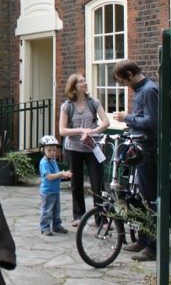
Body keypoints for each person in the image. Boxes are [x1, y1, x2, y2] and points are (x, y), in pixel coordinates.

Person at [112, 59, 159, 262]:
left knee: (149, 199)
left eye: (123, 82)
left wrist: (127, 118)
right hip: (138, 149)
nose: (125, 86)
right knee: (139, 198)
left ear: (130, 75)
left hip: (148, 151)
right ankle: (143, 239)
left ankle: (153, 246)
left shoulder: (148, 91)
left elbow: (152, 122)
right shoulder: (141, 91)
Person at [58, 73, 110, 227]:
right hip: (73, 148)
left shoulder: (93, 102)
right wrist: (81, 130)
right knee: (76, 182)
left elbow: (105, 122)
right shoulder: (67, 106)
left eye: (85, 80)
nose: (85, 83)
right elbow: (62, 130)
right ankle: (79, 216)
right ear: (74, 86)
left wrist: (92, 132)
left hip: (93, 148)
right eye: (81, 81)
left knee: (98, 183)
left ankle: (102, 218)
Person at [38, 135, 72, 236]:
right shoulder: (44, 163)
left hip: (55, 191)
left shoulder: (53, 161)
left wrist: (64, 174)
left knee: (56, 210)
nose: (52, 152)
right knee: (47, 211)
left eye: (54, 150)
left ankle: (57, 226)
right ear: (43, 150)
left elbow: (56, 174)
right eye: (49, 150)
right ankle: (45, 228)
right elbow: (49, 177)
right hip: (48, 191)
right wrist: (61, 174)